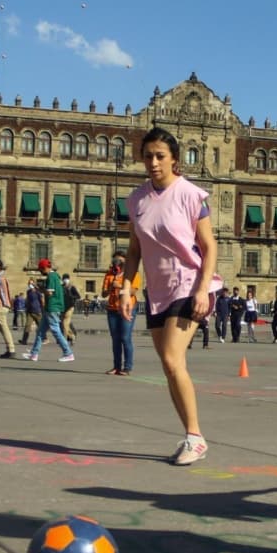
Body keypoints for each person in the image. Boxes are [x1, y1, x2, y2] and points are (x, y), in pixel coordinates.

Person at [120, 126, 222, 466]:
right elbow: (134, 250)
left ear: (175, 159)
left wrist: (203, 289)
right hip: (157, 291)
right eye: (147, 156)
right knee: (170, 367)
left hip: (189, 283)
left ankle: (195, 438)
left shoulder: (191, 195)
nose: (153, 162)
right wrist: (126, 287)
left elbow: (209, 247)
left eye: (160, 156)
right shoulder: (136, 200)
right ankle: (193, 436)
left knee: (171, 360)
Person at [21, 259, 75, 362]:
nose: (40, 271)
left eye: (40, 269)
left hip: (52, 307)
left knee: (55, 330)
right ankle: (34, 354)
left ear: (44, 268)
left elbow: (49, 293)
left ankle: (68, 353)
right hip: (50, 308)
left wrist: (39, 288)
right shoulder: (56, 276)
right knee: (40, 331)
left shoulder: (51, 277)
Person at [102, 250, 139, 375]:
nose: (116, 262)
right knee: (115, 339)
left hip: (129, 308)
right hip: (112, 309)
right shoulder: (109, 275)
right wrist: (111, 287)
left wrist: (119, 286)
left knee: (125, 337)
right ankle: (116, 367)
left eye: (119, 260)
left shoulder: (133, 274)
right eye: (115, 260)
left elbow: (133, 291)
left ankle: (127, 367)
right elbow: (103, 293)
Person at [61, 273, 81, 343]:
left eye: (66, 279)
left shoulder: (72, 287)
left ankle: (64, 340)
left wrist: (71, 296)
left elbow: (78, 296)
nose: (65, 280)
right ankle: (72, 336)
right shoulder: (61, 287)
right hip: (63, 307)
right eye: (64, 279)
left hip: (70, 307)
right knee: (64, 324)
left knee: (65, 323)